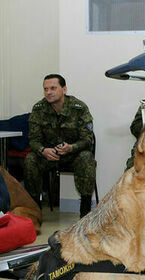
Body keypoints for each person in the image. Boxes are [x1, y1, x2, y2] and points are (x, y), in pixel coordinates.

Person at [25, 74, 97, 217]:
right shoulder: (39, 109)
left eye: (53, 88)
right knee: (30, 159)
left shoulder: (79, 108)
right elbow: (33, 139)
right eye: (45, 89)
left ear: (64, 89)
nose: (49, 92)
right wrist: (43, 150)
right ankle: (34, 211)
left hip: (72, 156)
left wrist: (71, 147)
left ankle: (85, 212)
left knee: (86, 158)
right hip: (48, 156)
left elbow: (88, 139)